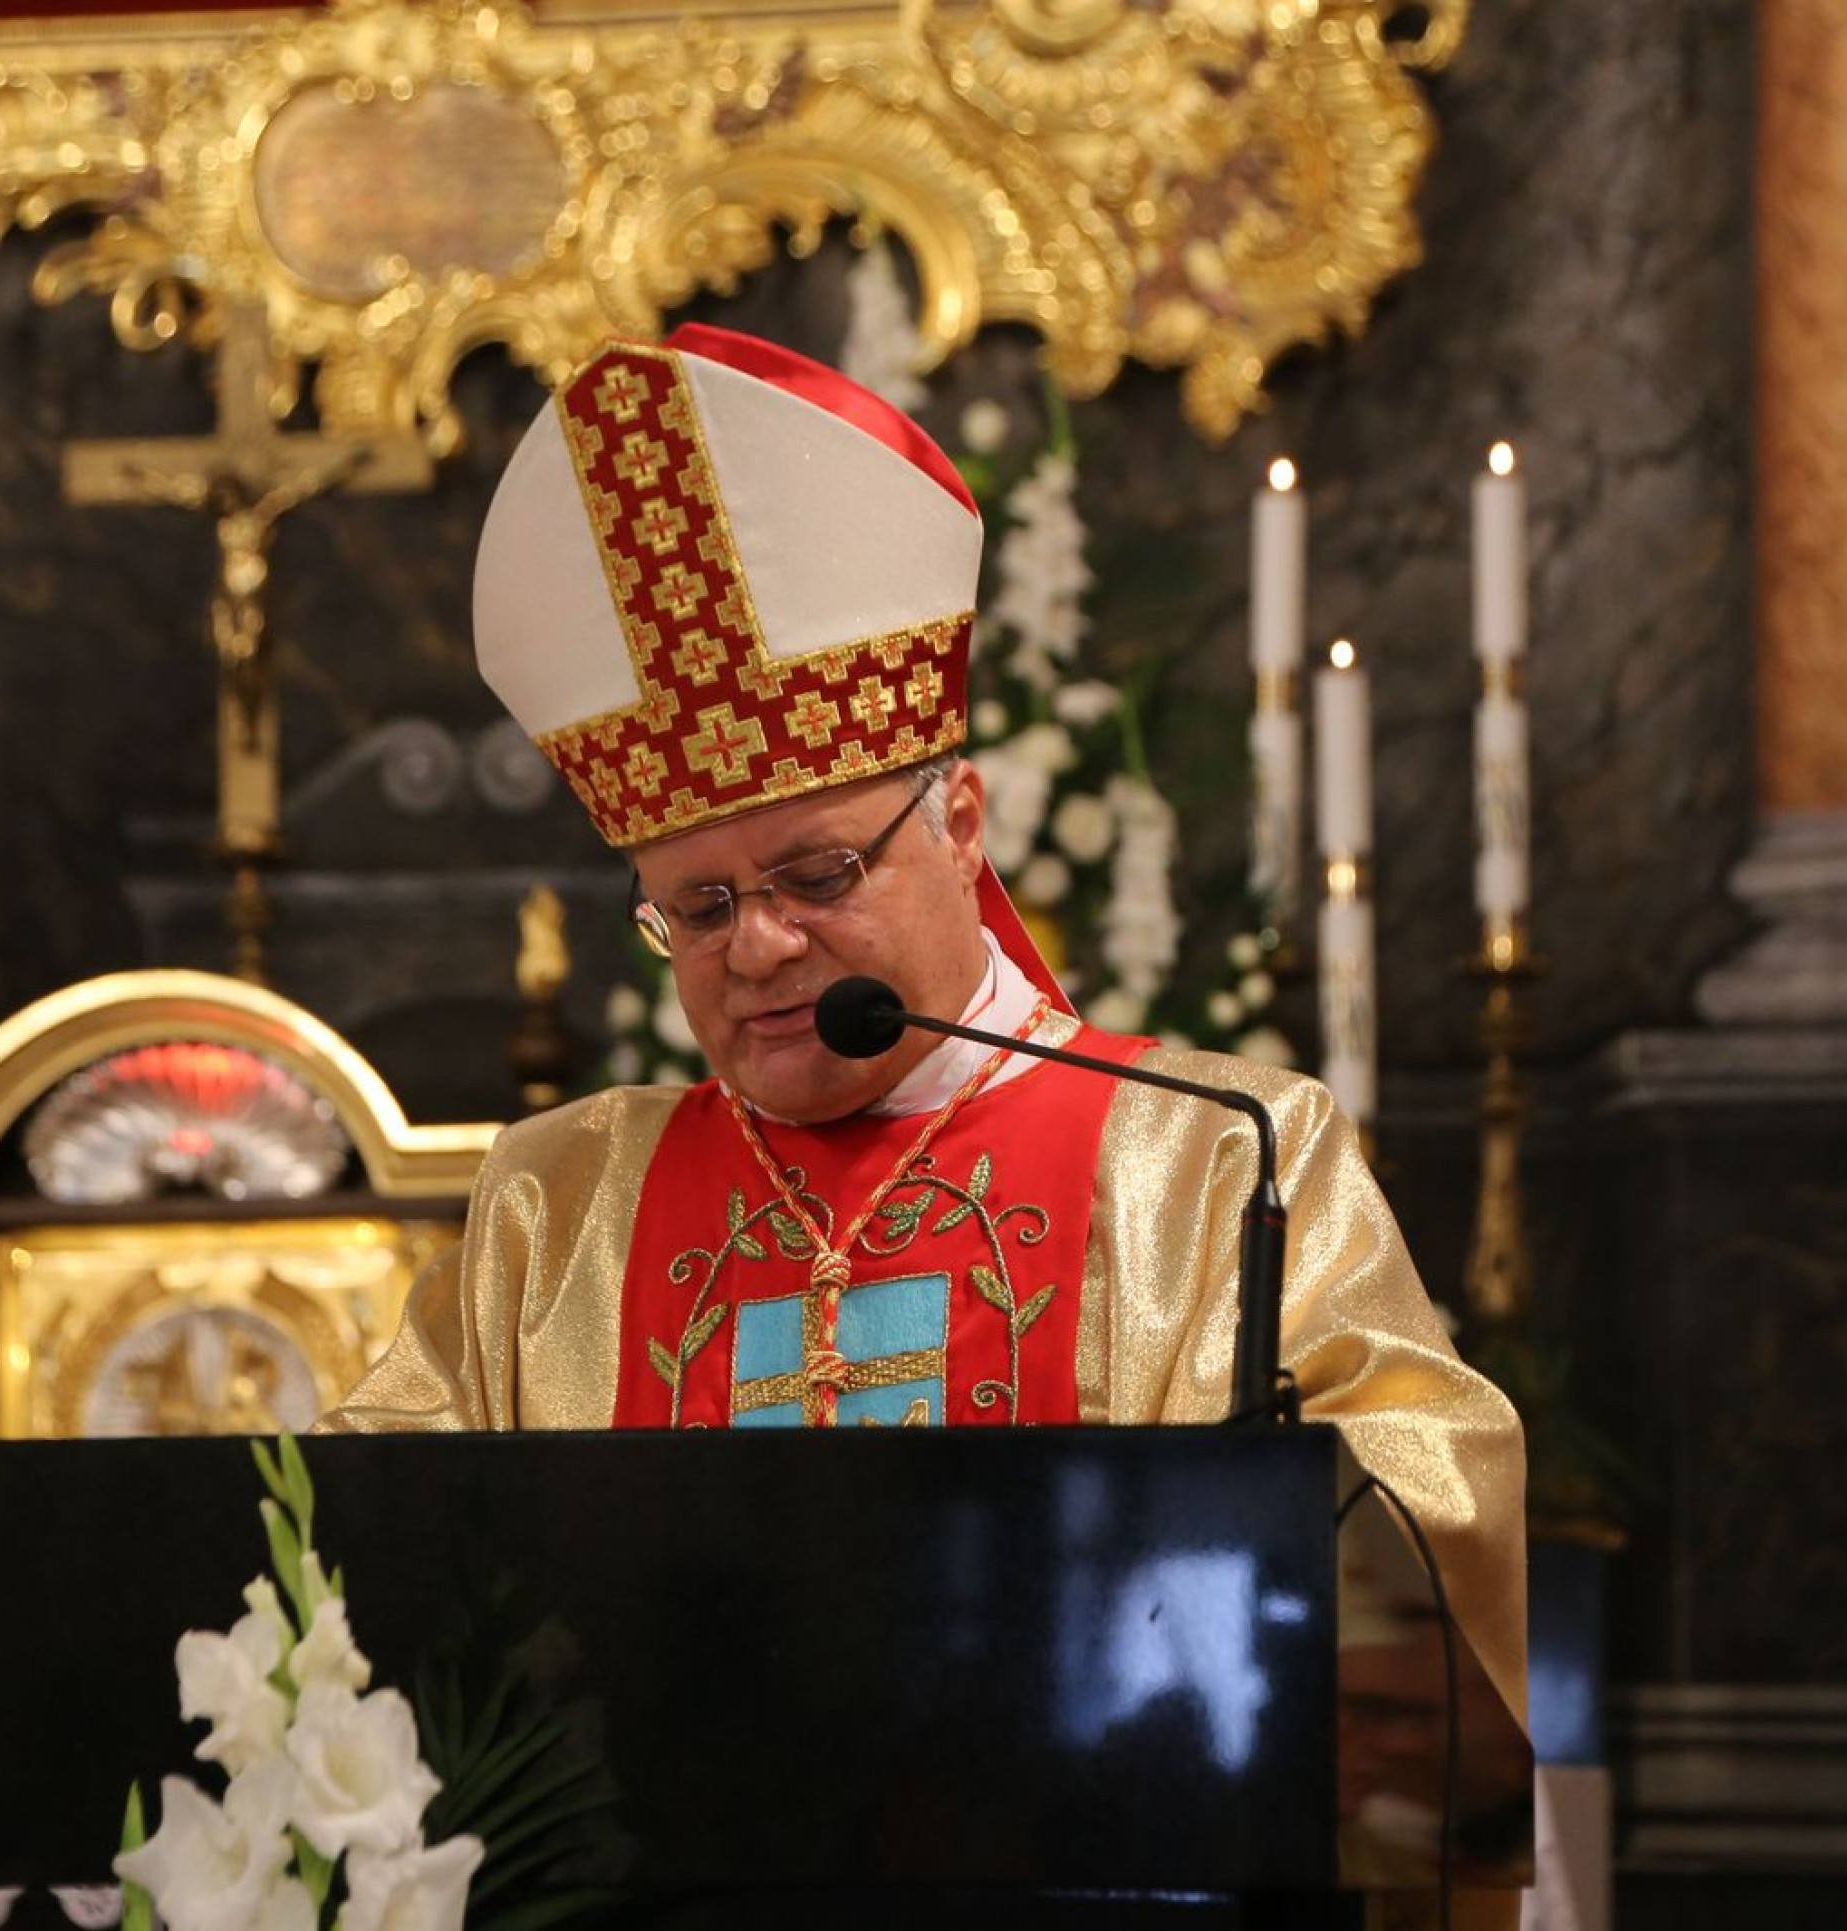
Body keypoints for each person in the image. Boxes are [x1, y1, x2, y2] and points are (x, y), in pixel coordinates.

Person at [324, 324, 1525, 1721]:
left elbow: (1434, 1501)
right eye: (700, 910)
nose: (762, 947)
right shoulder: (560, 1207)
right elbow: (349, 1563)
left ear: (961, 823)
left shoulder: (1213, 1161)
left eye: (818, 876)